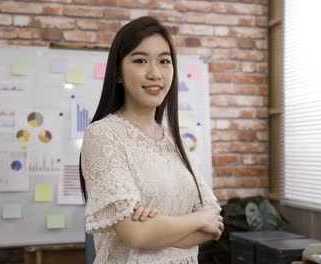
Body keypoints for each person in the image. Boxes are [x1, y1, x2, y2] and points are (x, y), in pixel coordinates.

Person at [79, 16, 224, 263]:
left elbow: (214, 225)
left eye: (164, 61)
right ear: (118, 74)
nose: (155, 73)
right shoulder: (103, 135)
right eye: (140, 61)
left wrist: (157, 227)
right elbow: (136, 234)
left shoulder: (173, 140)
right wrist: (196, 219)